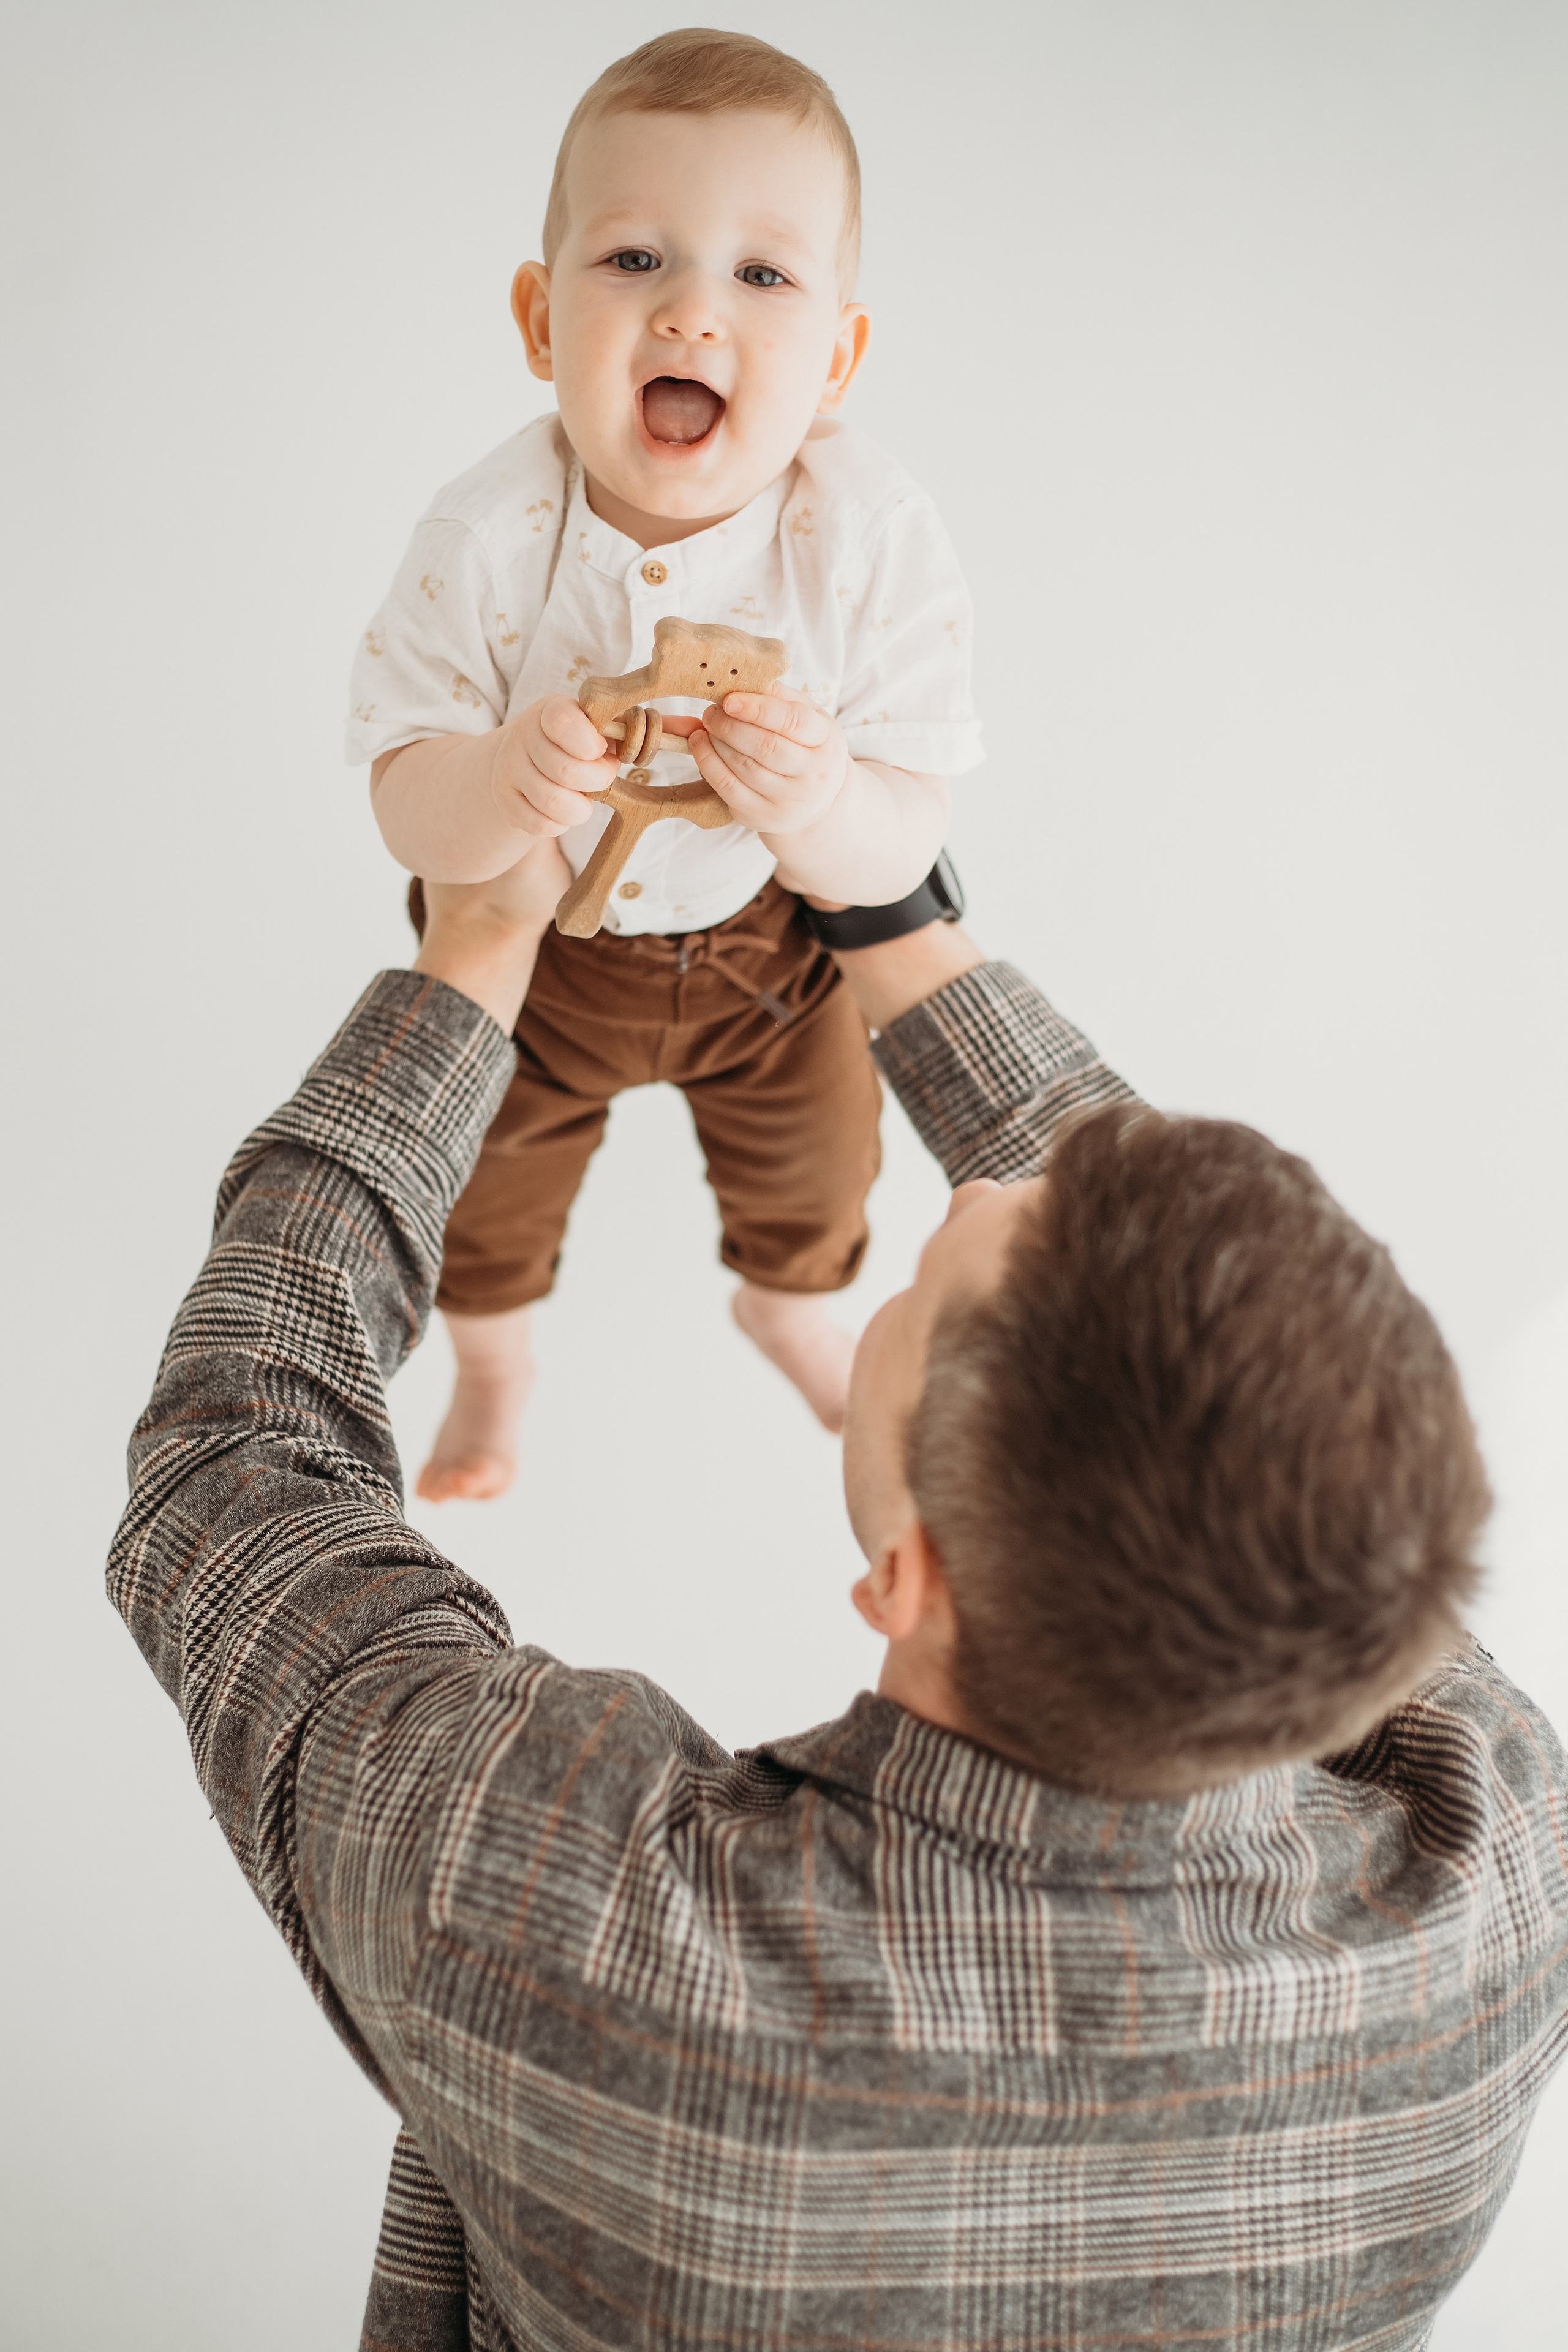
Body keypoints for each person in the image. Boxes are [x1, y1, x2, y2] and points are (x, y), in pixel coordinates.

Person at [111, 844, 1568, 2352]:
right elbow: (1264, 1402)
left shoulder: (569, 1909)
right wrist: (886, 904)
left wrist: (472, 946)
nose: (979, 1184)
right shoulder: (1501, 1880)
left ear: (908, 1575)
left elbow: (235, 1460)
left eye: (921, 1294)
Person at [350, 29, 982, 1499]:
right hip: (536, 965)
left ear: (835, 359)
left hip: (771, 956)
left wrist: (824, 800)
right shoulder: (485, 537)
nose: (693, 309)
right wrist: (495, 785)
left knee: (820, 1165)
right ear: (539, 318)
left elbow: (905, 840)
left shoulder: (866, 538)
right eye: (633, 259)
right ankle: (494, 1367)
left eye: (761, 274)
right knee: (479, 1194)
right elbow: (402, 786)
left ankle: (790, 1308)